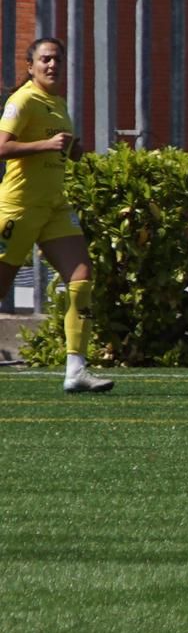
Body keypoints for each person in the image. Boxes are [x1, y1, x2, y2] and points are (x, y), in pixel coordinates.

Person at [0, 38, 114, 393]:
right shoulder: (23, 100)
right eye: (45, 59)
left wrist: (74, 149)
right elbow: (2, 146)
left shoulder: (58, 104)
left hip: (54, 207)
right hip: (19, 206)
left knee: (81, 278)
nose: (52, 65)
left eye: (57, 60)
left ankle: (76, 370)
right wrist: (45, 146)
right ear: (30, 65)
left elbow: (64, 150)